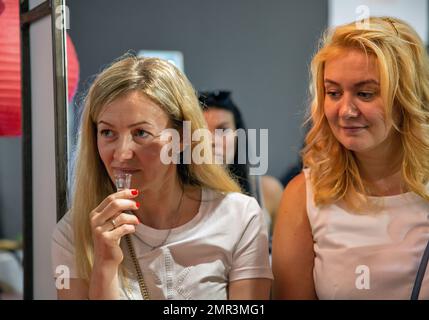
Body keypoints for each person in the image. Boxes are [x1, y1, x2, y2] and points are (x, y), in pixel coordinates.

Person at [51, 55, 272, 300]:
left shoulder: (239, 217)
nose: (122, 154)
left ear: (181, 138)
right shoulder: (75, 232)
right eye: (107, 132)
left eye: (141, 133)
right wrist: (104, 265)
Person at [272, 17, 429, 299]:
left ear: (406, 97)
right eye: (333, 92)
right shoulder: (304, 197)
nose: (346, 110)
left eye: (365, 94)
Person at [198, 90, 283, 237]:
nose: (212, 140)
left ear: (238, 136)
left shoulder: (268, 191)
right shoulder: (179, 197)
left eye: (223, 130)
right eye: (202, 131)